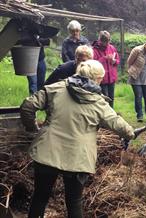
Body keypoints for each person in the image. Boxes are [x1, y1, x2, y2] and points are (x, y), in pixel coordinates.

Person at [20, 60, 135, 217]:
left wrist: (32, 128)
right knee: (74, 202)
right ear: (97, 79)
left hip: (47, 150)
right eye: (101, 78)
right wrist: (130, 133)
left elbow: (27, 106)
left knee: (40, 196)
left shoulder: (56, 88)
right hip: (78, 158)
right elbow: (121, 126)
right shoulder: (99, 103)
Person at [92, 30, 120, 108]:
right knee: (104, 98)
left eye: (107, 41)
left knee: (111, 97)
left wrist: (113, 61)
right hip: (101, 78)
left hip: (111, 77)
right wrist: (104, 58)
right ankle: (104, 114)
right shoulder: (94, 50)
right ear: (100, 40)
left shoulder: (112, 48)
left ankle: (112, 113)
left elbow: (117, 61)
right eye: (104, 41)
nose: (106, 44)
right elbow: (93, 64)